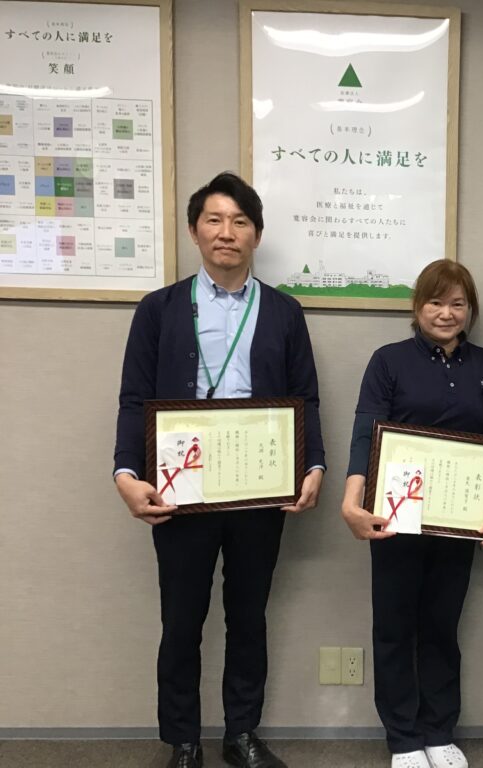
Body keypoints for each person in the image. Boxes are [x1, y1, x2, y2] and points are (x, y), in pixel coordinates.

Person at [113, 172, 325, 768]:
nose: (226, 232)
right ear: (193, 231)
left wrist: (312, 464)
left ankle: (241, 734)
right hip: (180, 486)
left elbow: (305, 397)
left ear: (256, 234)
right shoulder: (159, 309)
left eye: (239, 221)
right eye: (214, 220)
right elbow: (134, 398)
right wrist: (126, 473)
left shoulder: (284, 311)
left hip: (260, 484)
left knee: (248, 615)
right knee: (182, 618)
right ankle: (183, 739)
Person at [340, 260, 483, 768]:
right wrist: (351, 500)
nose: (446, 313)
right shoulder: (388, 361)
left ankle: (439, 730)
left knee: (442, 626)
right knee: (394, 627)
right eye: (435, 302)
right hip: (395, 517)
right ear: (417, 307)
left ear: (470, 310)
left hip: (462, 518)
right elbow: (366, 431)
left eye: (457, 303)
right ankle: (402, 738)